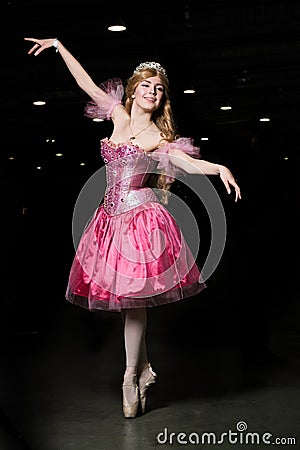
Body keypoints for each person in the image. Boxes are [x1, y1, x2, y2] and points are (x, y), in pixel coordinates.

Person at [24, 37, 242, 419]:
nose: (152, 93)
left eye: (159, 90)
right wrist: (60, 46)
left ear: (163, 99)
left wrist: (219, 167)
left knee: (134, 303)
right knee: (129, 305)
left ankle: (130, 375)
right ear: (134, 88)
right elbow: (87, 85)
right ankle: (141, 370)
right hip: (108, 221)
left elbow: (189, 166)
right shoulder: (119, 119)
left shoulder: (159, 137)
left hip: (141, 222)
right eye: (146, 85)